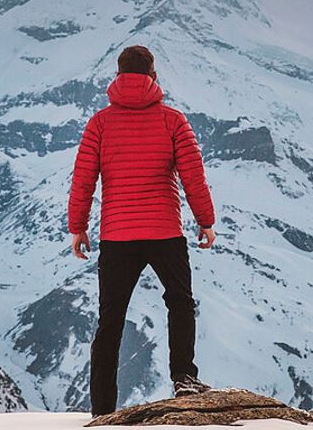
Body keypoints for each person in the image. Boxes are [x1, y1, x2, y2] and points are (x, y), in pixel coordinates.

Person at [68, 45, 217, 416]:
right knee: (180, 303)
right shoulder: (173, 120)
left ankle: (102, 408)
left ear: (118, 75)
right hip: (165, 231)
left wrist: (78, 227)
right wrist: (206, 221)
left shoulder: (99, 123)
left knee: (111, 319)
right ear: (153, 74)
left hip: (117, 236)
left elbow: (83, 180)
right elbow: (193, 176)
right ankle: (184, 376)